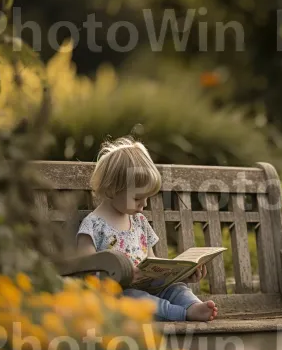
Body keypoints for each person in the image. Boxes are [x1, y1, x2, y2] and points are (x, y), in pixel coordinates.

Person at [76, 136, 218, 322]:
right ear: (112, 189)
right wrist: (122, 276)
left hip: (151, 289)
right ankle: (182, 314)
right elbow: (85, 271)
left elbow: (152, 262)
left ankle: (193, 306)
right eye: (137, 198)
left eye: (147, 197)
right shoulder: (93, 225)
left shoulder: (139, 222)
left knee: (177, 289)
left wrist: (180, 274)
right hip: (117, 297)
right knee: (134, 298)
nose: (144, 204)